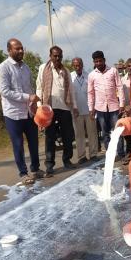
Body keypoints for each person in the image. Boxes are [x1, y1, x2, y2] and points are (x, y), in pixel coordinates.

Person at [0, 38, 43, 185]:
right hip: (13, 114)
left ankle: (36, 169)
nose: (21, 51)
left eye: (22, 48)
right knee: (18, 144)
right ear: (9, 50)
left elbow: (30, 89)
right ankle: (23, 173)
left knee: (34, 142)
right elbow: (5, 92)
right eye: (17, 49)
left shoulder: (26, 68)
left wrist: (34, 106)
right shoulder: (2, 68)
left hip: (28, 113)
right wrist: (29, 97)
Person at [36, 46, 78, 176]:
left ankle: (67, 160)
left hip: (65, 107)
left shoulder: (65, 71)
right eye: (55, 56)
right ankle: (49, 165)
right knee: (50, 137)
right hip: (49, 108)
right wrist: (39, 106)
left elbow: (71, 90)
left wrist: (74, 106)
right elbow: (39, 87)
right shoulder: (43, 68)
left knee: (68, 136)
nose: (57, 58)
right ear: (50, 56)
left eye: (60, 56)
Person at [88, 50, 125, 152]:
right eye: (96, 61)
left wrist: (122, 104)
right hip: (100, 108)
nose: (98, 63)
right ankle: (110, 154)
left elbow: (120, 87)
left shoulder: (113, 71)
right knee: (105, 133)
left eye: (100, 61)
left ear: (104, 60)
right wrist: (91, 109)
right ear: (94, 62)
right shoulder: (92, 75)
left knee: (117, 131)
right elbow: (90, 93)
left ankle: (121, 153)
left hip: (114, 107)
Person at [71, 58, 98, 164]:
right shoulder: (70, 76)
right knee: (79, 134)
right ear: (73, 66)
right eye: (75, 65)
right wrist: (73, 107)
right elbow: (69, 94)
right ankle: (81, 156)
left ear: (82, 65)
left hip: (89, 109)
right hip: (76, 110)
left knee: (92, 133)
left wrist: (94, 108)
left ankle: (93, 154)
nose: (78, 67)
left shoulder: (89, 76)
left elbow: (94, 92)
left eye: (79, 65)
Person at [118, 58, 131, 164]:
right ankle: (129, 152)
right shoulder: (122, 80)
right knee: (128, 131)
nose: (130, 68)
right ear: (126, 67)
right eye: (128, 66)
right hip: (127, 109)